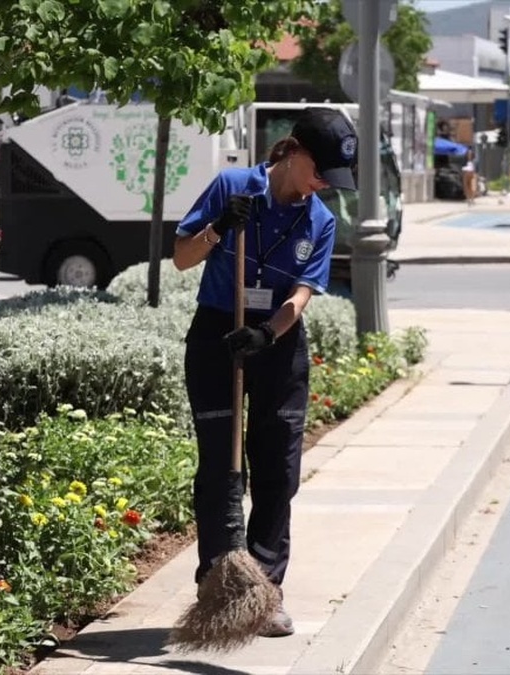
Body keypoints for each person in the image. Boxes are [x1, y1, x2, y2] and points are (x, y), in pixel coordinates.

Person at [172, 107, 355, 638]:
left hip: (276, 340)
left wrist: (267, 334)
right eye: (319, 172)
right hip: (216, 333)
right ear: (293, 151)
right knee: (221, 468)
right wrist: (218, 228)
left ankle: (265, 591)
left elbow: (300, 294)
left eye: (331, 180)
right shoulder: (233, 186)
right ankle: (222, 586)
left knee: (277, 468)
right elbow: (183, 257)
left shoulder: (319, 220)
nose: (322, 186)